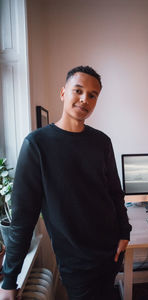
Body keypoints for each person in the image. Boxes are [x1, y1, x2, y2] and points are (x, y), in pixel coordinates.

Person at [0, 66, 132, 300]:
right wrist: (9, 279)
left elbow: (114, 192)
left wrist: (124, 233)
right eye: (78, 90)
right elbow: (23, 217)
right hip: (75, 261)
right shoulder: (37, 144)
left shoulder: (101, 142)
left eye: (92, 95)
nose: (85, 99)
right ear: (63, 93)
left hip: (110, 251)